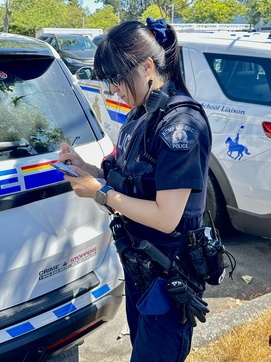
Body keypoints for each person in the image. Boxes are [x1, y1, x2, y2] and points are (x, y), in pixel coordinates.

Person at [58, 18, 212, 362]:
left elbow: (166, 217)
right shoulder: (141, 114)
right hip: (142, 265)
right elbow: (129, 181)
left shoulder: (181, 126)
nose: (114, 90)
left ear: (147, 66)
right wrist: (87, 169)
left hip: (168, 271)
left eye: (116, 79)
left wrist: (99, 193)